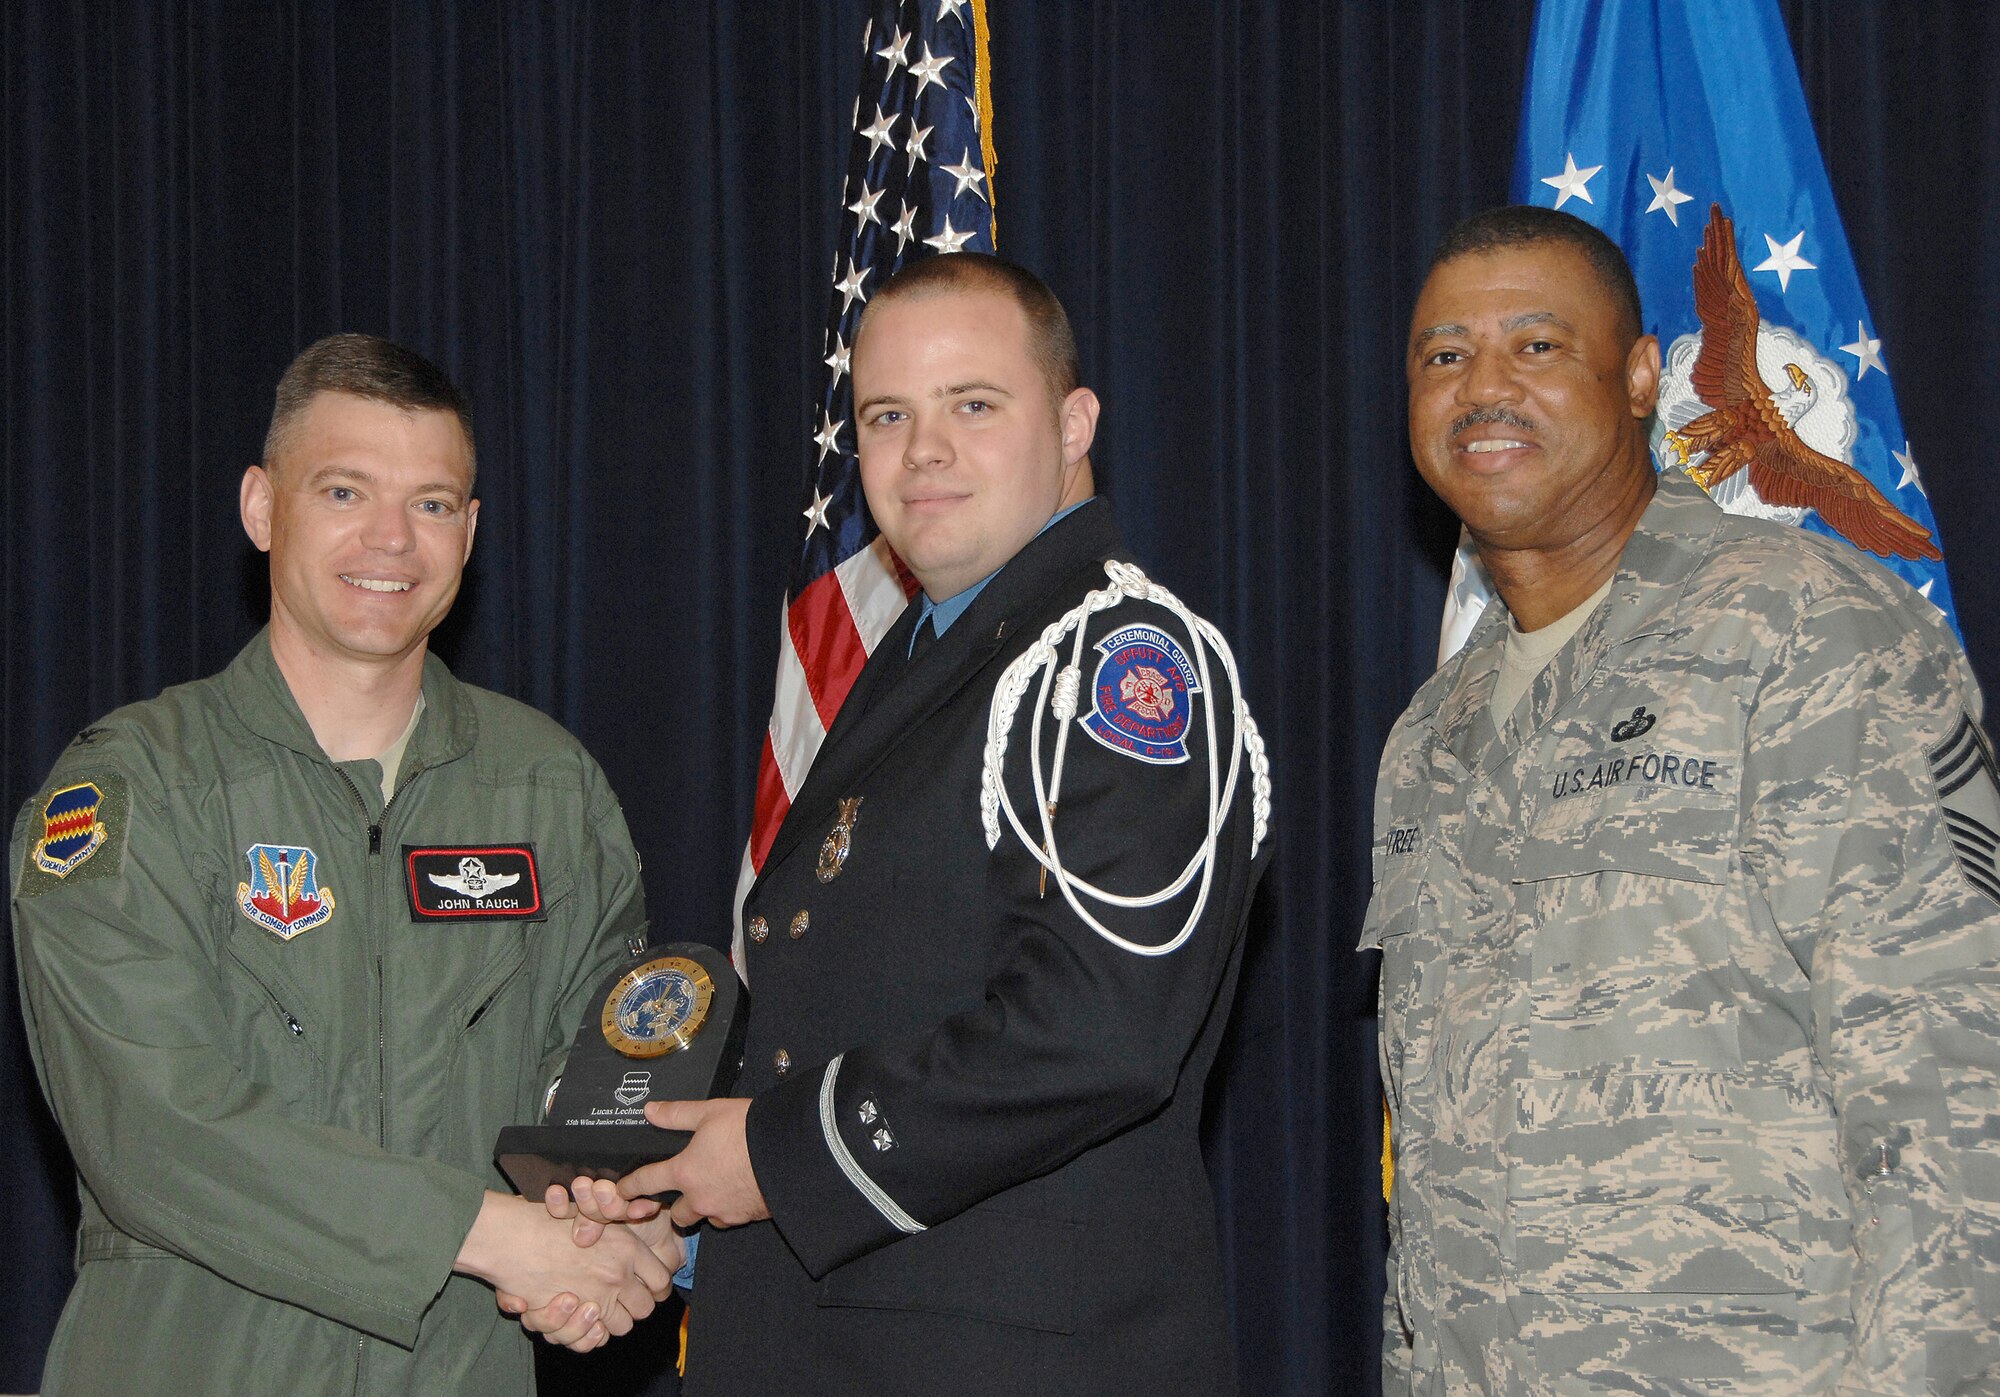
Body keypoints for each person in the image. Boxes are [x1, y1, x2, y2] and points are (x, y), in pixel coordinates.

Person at [534, 253, 1272, 1393]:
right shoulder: (933, 655)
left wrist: (774, 1157)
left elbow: (1096, 1034)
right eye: (887, 415)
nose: (923, 450)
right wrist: (677, 1202)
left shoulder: (1116, 662)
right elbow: (840, 1012)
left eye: (972, 405)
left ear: (1074, 423)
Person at [1367, 206, 2000, 1392]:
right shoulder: (1429, 735)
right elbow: (1429, 1173)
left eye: (1535, 346)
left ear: (1641, 376)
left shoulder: (1809, 630)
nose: (1482, 387)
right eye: (1443, 355)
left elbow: (1952, 1100)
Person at [10, 334, 680, 1395]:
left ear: (470, 532)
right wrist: (487, 1233)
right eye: (343, 490)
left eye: (431, 502)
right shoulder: (135, 787)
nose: (390, 538)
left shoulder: (548, 789)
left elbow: (592, 1081)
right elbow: (155, 1129)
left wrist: (610, 1217)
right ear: (261, 507)